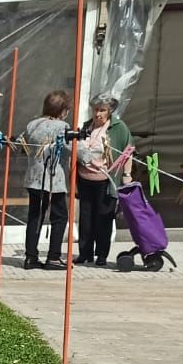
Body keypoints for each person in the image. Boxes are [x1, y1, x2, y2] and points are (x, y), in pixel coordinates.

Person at [75, 95, 133, 269]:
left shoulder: (118, 127)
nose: (97, 114)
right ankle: (85, 253)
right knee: (85, 218)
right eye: (95, 110)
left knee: (104, 218)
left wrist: (127, 175)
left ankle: (101, 255)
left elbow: (128, 151)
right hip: (85, 179)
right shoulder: (86, 126)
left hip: (106, 181)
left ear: (110, 111)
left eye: (102, 110)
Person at [19, 89, 72, 270]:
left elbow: (21, 144)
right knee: (59, 217)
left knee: (35, 216)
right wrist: (90, 157)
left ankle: (30, 257)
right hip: (53, 180)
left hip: (33, 178)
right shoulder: (62, 127)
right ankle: (54, 258)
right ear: (62, 110)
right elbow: (71, 148)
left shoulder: (32, 124)